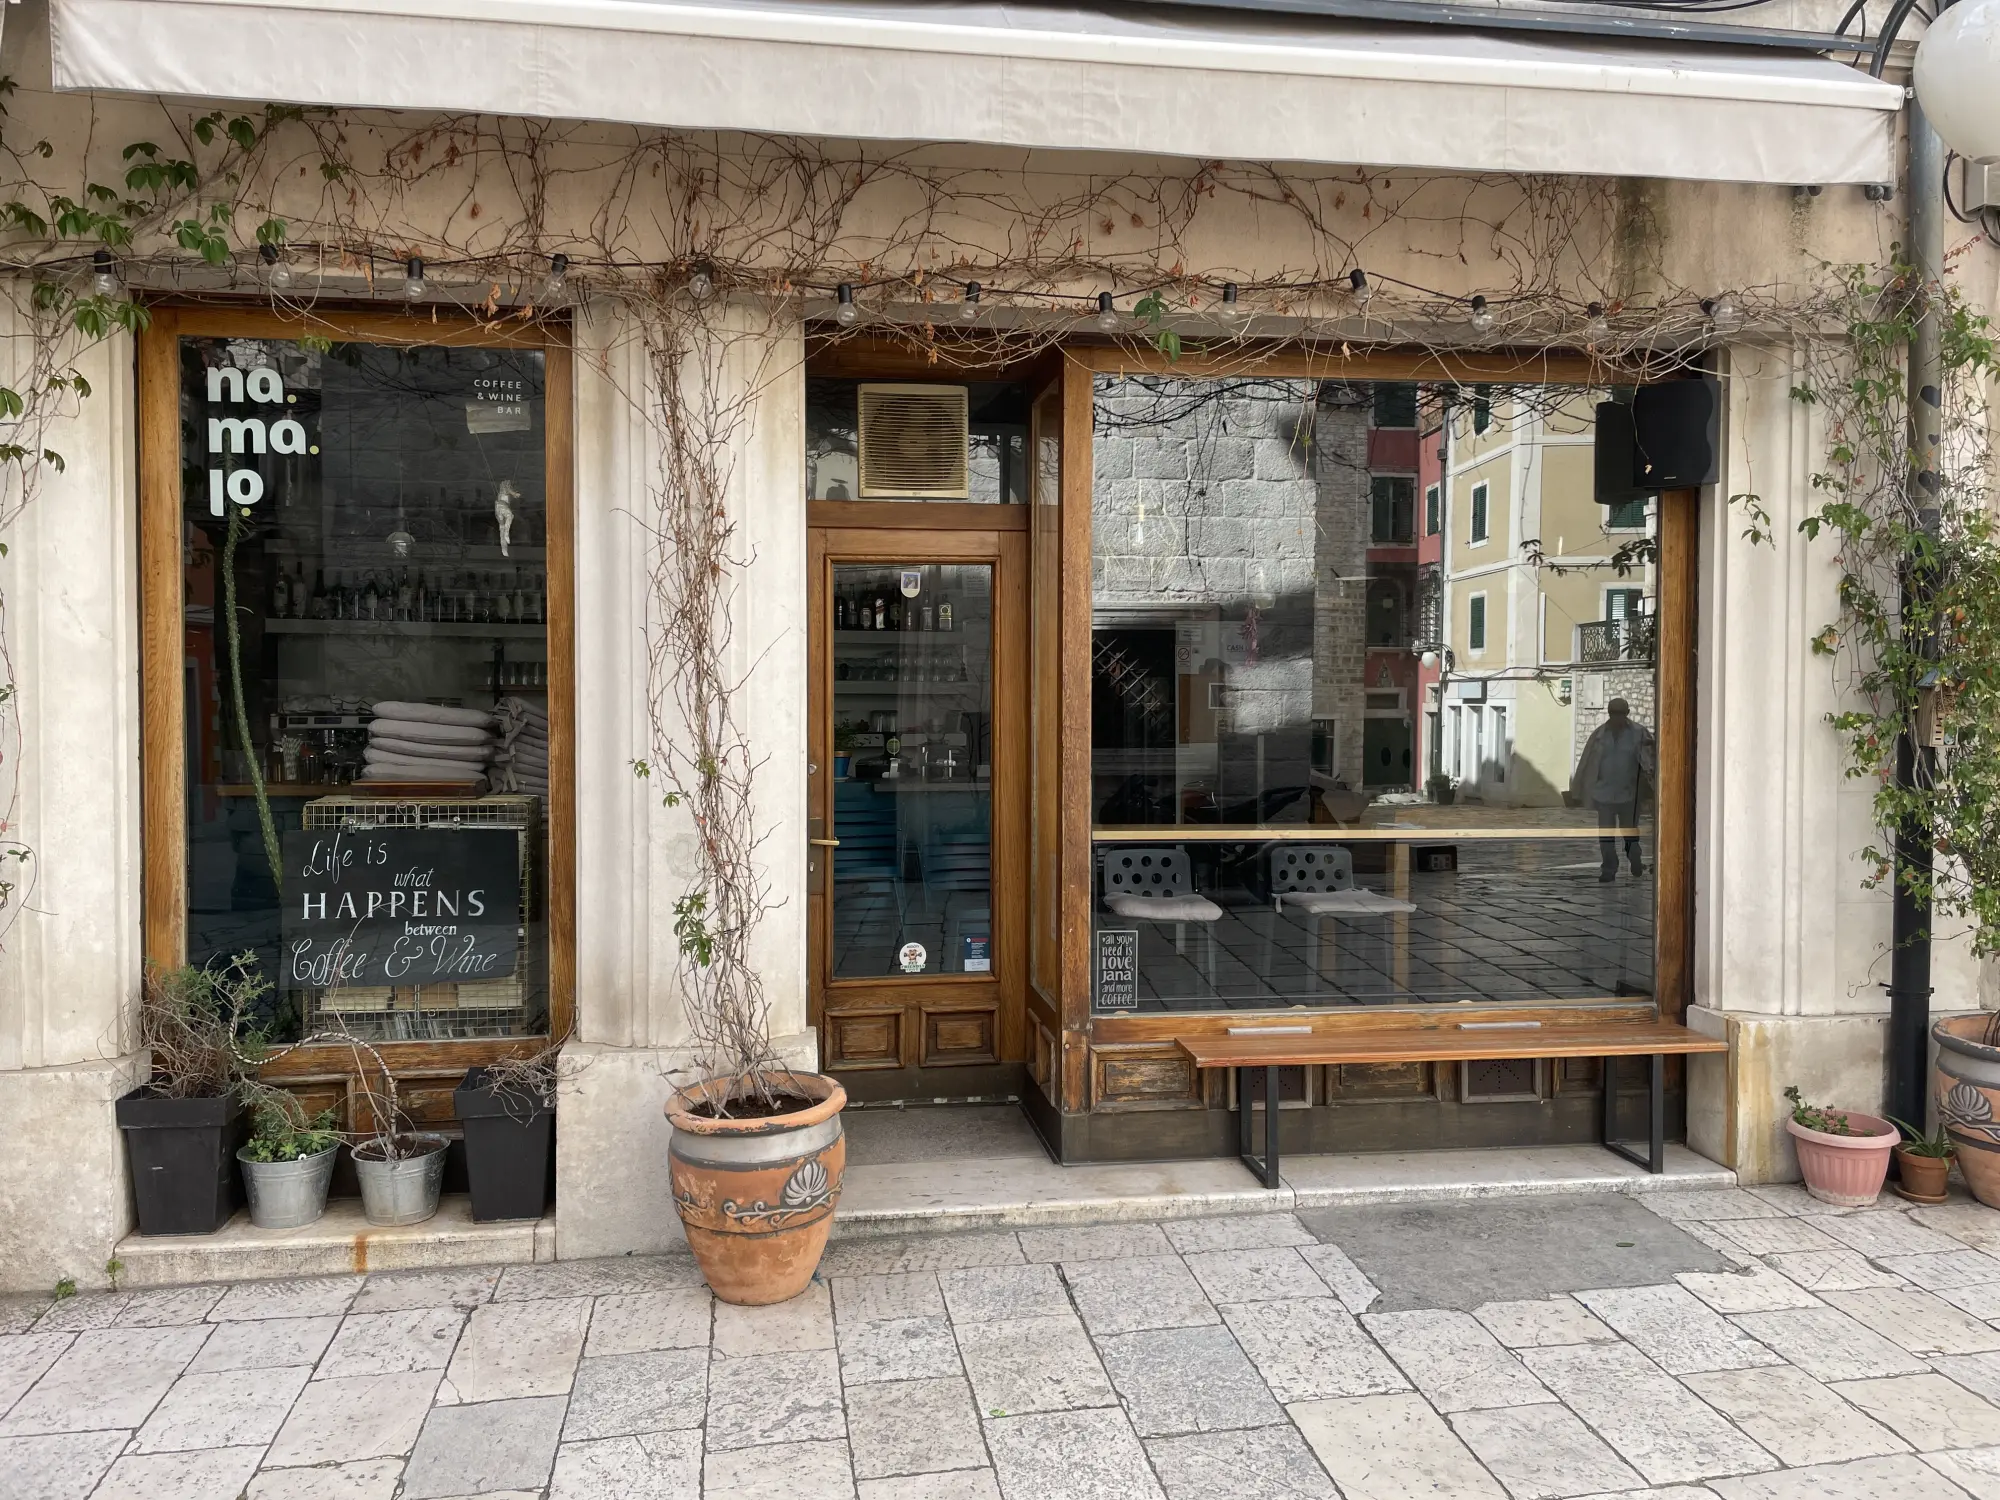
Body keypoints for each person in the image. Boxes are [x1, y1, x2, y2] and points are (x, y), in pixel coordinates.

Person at [1571, 697, 1656, 881]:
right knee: (1606, 835)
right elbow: (1586, 763)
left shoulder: (1639, 734)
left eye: (1620, 714)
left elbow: (1651, 762)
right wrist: (1579, 790)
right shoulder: (1599, 735)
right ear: (1609, 714)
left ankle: (1635, 858)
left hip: (1629, 794)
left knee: (1630, 832)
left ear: (1626, 714)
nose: (1617, 717)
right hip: (1604, 794)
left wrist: (1651, 788)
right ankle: (1609, 869)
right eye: (1614, 714)